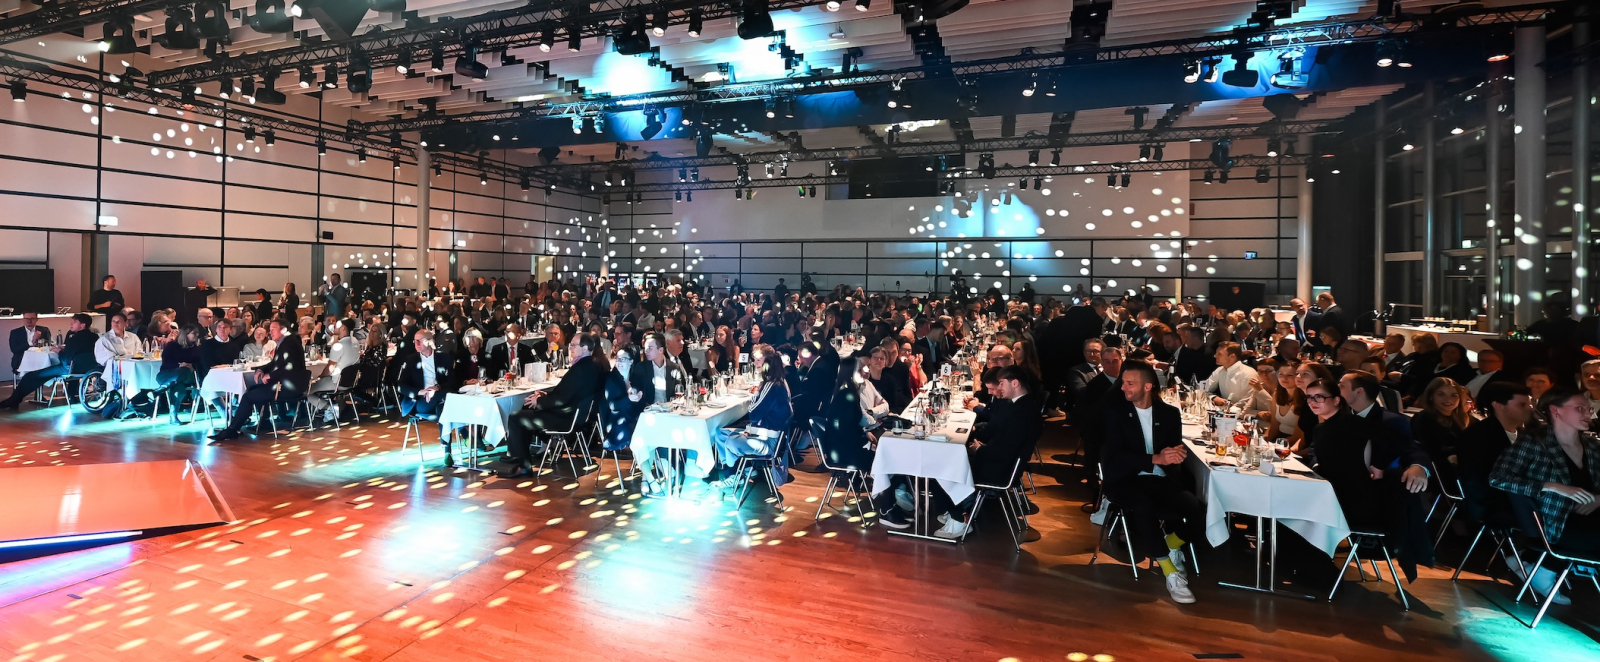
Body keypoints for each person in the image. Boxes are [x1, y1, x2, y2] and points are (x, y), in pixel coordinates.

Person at [1099, 360, 1204, 604]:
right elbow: (1113, 456)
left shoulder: (1169, 414)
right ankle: (1169, 571)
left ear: (1147, 387)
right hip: (1124, 479)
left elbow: (1173, 448)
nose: (1123, 387)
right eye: (1123, 382)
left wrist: (1176, 454)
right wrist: (1155, 458)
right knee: (1143, 506)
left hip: (1160, 479)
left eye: (1129, 383)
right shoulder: (1115, 412)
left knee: (1198, 511)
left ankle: (1170, 543)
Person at [1490, 390, 1600, 604]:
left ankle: (1534, 563)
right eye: (1580, 408)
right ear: (1555, 410)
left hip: (1589, 521)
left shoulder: (1593, 447)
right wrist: (1551, 487)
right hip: (1553, 523)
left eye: (1589, 409)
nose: (1588, 414)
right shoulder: (1534, 443)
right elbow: (1497, 478)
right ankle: (1542, 566)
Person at [933, 365, 1043, 540]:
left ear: (1015, 383)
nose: (999, 387)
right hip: (1005, 464)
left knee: (938, 466)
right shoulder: (1024, 405)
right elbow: (1002, 438)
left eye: (1001, 383)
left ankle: (958, 517)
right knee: (949, 458)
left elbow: (1004, 449)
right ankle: (956, 508)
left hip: (1000, 470)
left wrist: (979, 449)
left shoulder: (1020, 412)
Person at [495, 334, 605, 478]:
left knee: (516, 417)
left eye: (574, 345)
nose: (570, 348)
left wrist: (540, 401)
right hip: (577, 415)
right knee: (527, 407)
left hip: (565, 418)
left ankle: (523, 466)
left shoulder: (580, 369)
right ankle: (519, 455)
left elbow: (562, 400)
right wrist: (545, 395)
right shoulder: (593, 365)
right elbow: (568, 393)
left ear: (585, 348)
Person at [209, 318, 310, 442]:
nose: (270, 332)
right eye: (270, 330)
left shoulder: (289, 343)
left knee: (248, 396)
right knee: (253, 389)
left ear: (283, 330)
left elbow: (290, 366)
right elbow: (275, 363)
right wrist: (261, 369)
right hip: (290, 385)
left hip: (288, 387)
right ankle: (263, 421)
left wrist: (271, 376)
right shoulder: (287, 341)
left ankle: (232, 430)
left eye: (273, 329)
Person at [709, 350, 793, 488]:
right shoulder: (778, 382)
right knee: (720, 434)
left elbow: (753, 413)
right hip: (765, 434)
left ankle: (734, 476)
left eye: (760, 361)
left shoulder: (771, 385)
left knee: (730, 440)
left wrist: (756, 393)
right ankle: (744, 470)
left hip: (768, 442)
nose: (755, 363)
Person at [1458, 382, 1533, 522]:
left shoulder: (1526, 434)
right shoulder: (1477, 436)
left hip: (1518, 497)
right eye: (1522, 404)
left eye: (1530, 403)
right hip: (1494, 504)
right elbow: (1477, 481)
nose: (1530, 408)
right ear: (1498, 406)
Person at [0, 314, 97, 410]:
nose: (71, 324)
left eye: (75, 322)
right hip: (90, 369)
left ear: (82, 325)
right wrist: (66, 350)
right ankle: (71, 395)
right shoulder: (95, 337)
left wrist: (59, 352)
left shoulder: (73, 339)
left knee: (30, 376)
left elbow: (65, 360)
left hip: (69, 369)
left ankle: (13, 401)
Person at [395, 329, 457, 465]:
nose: (416, 344)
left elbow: (453, 381)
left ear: (429, 341)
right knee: (447, 397)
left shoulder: (444, 357)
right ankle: (463, 432)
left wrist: (436, 388)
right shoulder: (411, 360)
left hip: (439, 398)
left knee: (443, 406)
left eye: (420, 341)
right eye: (415, 341)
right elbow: (401, 386)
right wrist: (421, 392)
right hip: (420, 402)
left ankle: (447, 451)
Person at [1412, 377, 1470, 482]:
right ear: (1431, 396)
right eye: (1441, 394)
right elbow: (1433, 451)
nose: (1448, 399)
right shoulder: (1423, 419)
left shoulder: (1466, 419)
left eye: (1454, 395)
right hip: (1443, 473)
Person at [311, 319, 360, 423]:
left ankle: (329, 408)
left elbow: (330, 368)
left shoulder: (339, 345)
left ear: (343, 328)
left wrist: (319, 377)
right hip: (349, 382)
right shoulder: (355, 342)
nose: (333, 326)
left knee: (306, 390)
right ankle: (332, 409)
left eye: (336, 325)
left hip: (336, 382)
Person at [1204, 342, 1254, 406]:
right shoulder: (1219, 370)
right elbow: (1202, 389)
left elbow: (1250, 400)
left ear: (1232, 356)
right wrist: (1213, 397)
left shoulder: (1248, 373)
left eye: (1219, 354)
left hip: (1243, 411)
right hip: (1224, 410)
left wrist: (1230, 408)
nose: (1215, 356)